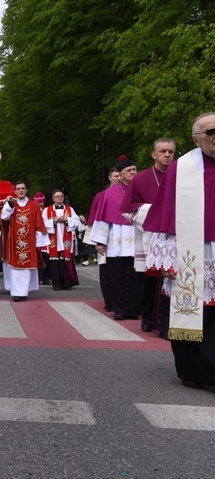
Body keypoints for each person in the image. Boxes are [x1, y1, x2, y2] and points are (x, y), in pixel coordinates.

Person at [144, 112, 215, 389]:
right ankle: (195, 371)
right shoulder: (182, 168)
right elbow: (166, 212)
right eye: (209, 132)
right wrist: (166, 257)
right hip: (192, 251)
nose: (214, 136)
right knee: (192, 308)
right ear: (196, 138)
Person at [121, 138, 176, 336]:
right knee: (149, 281)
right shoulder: (141, 179)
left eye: (170, 151)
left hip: (176, 239)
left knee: (172, 279)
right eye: (163, 151)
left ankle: (170, 321)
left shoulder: (182, 177)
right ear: (154, 154)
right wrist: (157, 212)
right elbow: (127, 210)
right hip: (150, 238)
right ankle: (148, 317)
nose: (167, 155)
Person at [89, 156, 140, 320]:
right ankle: (118, 309)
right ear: (121, 174)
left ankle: (133, 309)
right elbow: (103, 218)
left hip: (136, 238)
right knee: (116, 277)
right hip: (116, 241)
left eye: (134, 169)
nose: (133, 172)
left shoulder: (141, 189)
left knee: (135, 277)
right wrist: (100, 241)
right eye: (129, 170)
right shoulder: (110, 194)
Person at [1, 182, 48, 301]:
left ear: (26, 190)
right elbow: (4, 218)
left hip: (29, 240)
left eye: (23, 188)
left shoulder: (34, 205)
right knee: (16, 267)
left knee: (27, 267)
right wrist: (9, 205)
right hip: (14, 241)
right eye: (18, 189)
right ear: (15, 191)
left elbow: (38, 222)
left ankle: (23, 291)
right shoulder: (11, 204)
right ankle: (18, 292)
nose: (20, 191)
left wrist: (39, 241)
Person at [84, 167, 122, 311]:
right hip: (106, 238)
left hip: (124, 240)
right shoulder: (102, 196)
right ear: (109, 178)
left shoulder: (129, 193)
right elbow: (94, 219)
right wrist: (96, 241)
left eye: (119, 176)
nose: (118, 178)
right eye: (115, 176)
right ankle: (109, 301)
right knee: (106, 269)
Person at [42, 190, 80, 290]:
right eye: (57, 196)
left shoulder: (69, 209)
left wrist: (67, 220)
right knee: (54, 262)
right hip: (53, 238)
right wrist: (53, 221)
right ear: (53, 198)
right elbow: (42, 223)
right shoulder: (48, 210)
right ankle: (57, 284)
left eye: (61, 196)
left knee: (65, 261)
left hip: (65, 238)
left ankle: (67, 284)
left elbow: (77, 221)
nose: (59, 198)